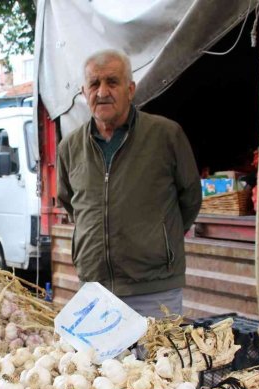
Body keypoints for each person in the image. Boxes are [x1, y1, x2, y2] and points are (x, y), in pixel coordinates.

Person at [56, 49, 202, 321]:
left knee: (157, 363)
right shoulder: (69, 147)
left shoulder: (166, 135)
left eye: (112, 82)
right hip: (95, 289)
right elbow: (69, 202)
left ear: (130, 89)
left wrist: (158, 238)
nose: (102, 92)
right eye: (94, 84)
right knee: (99, 364)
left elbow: (191, 198)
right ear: (83, 91)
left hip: (154, 289)